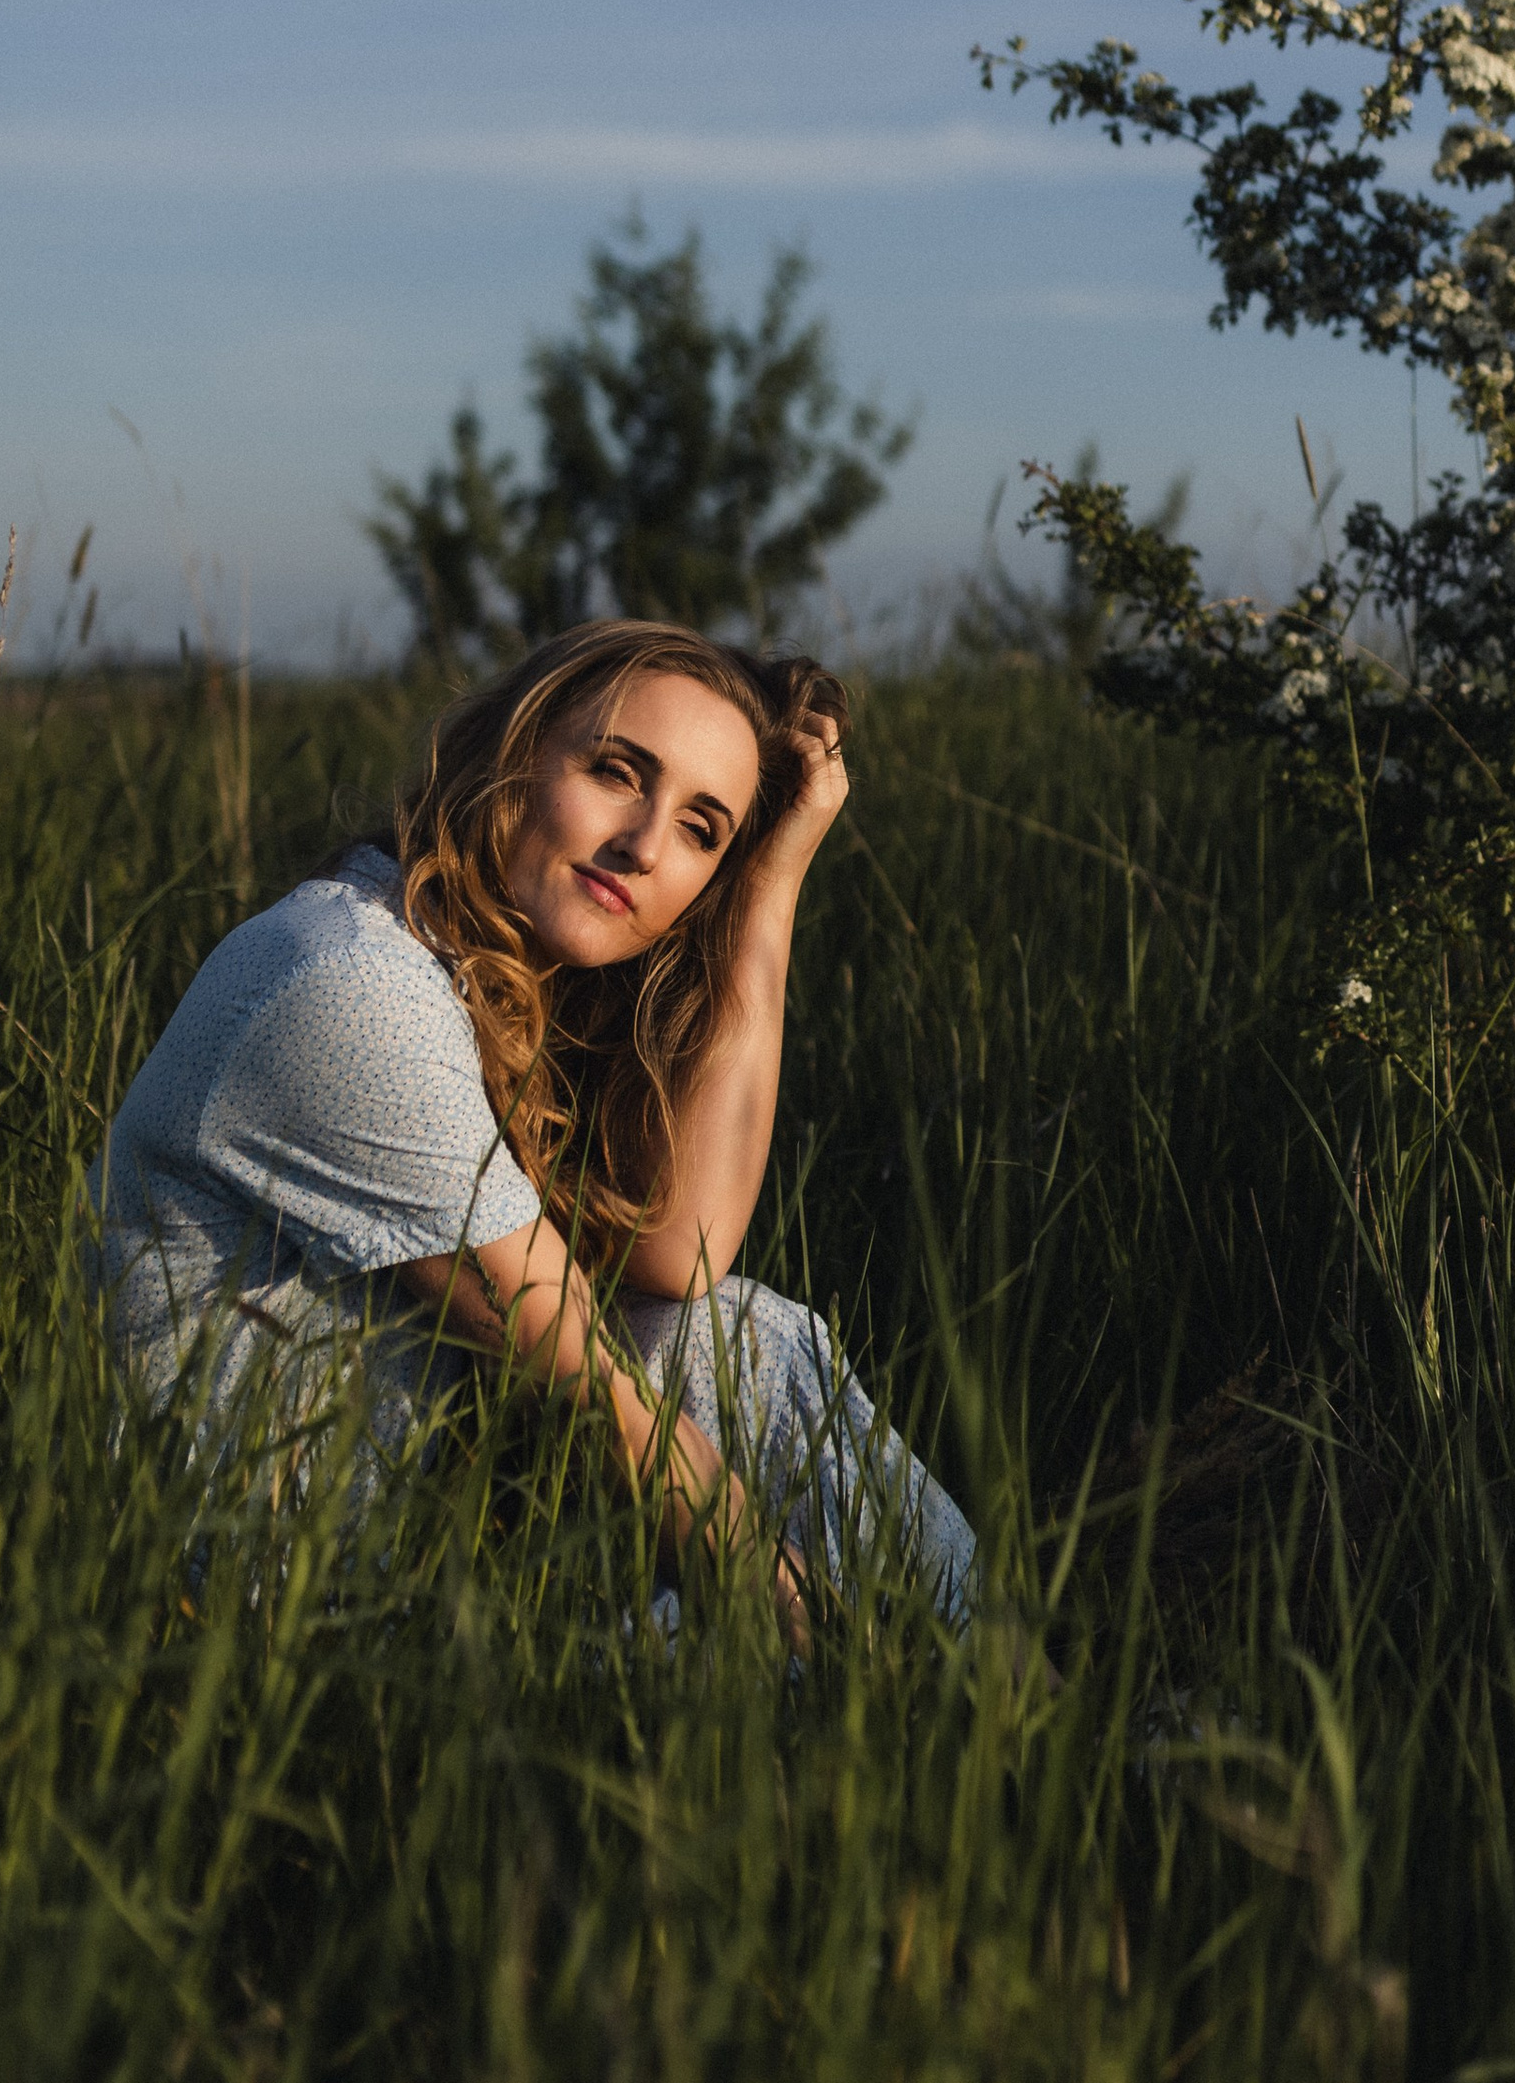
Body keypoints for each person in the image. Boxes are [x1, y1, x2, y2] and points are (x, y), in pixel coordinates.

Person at [87, 619, 975, 1634]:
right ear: (510, 756)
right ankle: (991, 1707)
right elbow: (598, 1404)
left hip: (411, 1537)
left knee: (730, 1335)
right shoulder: (348, 981)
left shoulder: (492, 981)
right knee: (777, 1647)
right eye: (613, 771)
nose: (642, 847)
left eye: (703, 830)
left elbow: (681, 1258)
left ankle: (1015, 1696)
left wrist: (770, 888)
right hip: (247, 1604)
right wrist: (816, 1631)